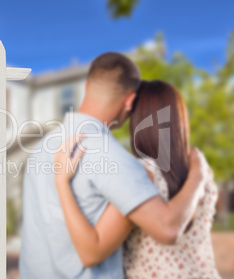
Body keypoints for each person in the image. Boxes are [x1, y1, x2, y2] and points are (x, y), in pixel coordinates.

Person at [19, 52, 210, 278]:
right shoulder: (112, 156)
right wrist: (198, 175)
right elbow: (168, 229)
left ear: (88, 86)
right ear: (130, 100)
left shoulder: (41, 148)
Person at [54, 80, 220, 278]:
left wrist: (61, 182)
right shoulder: (200, 169)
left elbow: (92, 252)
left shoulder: (142, 173)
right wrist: (198, 175)